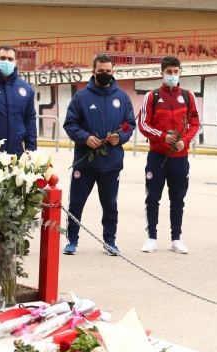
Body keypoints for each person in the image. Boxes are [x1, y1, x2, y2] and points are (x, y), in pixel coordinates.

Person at [62, 55, 136, 256]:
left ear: (113, 72)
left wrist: (120, 137)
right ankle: (72, 240)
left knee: (110, 205)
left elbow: (130, 124)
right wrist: (85, 138)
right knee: (76, 203)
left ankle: (110, 242)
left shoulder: (122, 98)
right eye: (101, 71)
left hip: (111, 163)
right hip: (85, 163)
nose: (104, 74)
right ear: (93, 72)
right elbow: (70, 124)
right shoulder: (81, 97)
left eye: (108, 71)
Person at [138, 56, 201, 254]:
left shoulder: (188, 96)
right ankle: (151, 238)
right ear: (162, 73)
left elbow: (196, 124)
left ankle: (176, 239)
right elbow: (143, 124)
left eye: (175, 72)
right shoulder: (152, 96)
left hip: (180, 158)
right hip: (157, 156)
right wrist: (162, 136)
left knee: (178, 199)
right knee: (152, 198)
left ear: (180, 72)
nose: (172, 75)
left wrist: (186, 141)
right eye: (168, 72)